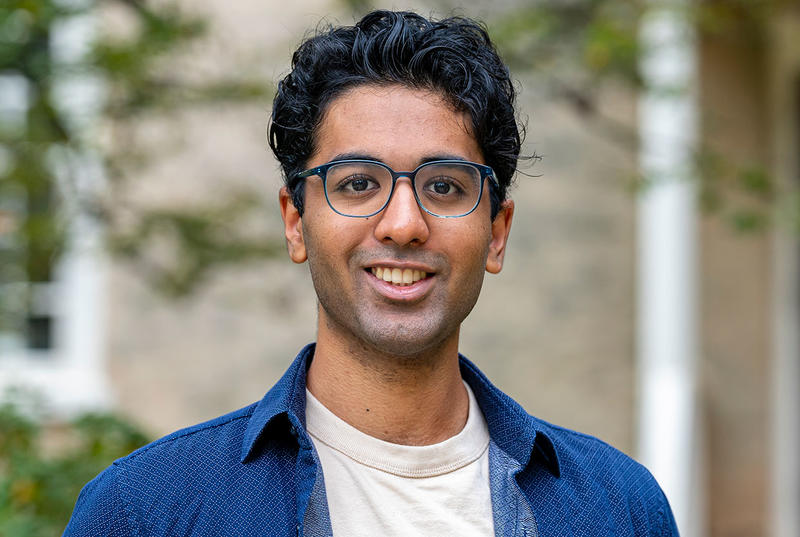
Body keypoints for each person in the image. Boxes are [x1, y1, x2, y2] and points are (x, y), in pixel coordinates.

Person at [64, 10, 678, 536]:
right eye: (358, 184)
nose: (403, 224)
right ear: (296, 223)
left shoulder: (618, 507)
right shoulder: (148, 510)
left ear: (496, 232)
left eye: (444, 186)